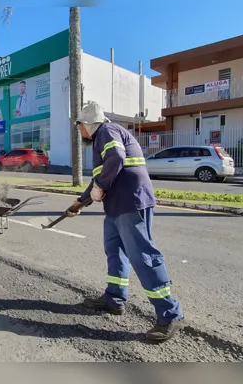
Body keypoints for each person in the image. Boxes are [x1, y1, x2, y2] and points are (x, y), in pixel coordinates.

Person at [65, 100, 185, 343]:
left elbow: (117, 157)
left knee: (142, 256)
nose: (79, 132)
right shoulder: (101, 139)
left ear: (86, 123)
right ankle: (114, 298)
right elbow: (99, 178)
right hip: (116, 207)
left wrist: (100, 186)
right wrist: (79, 203)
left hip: (132, 203)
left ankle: (171, 314)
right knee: (115, 250)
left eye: (79, 126)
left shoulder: (107, 131)